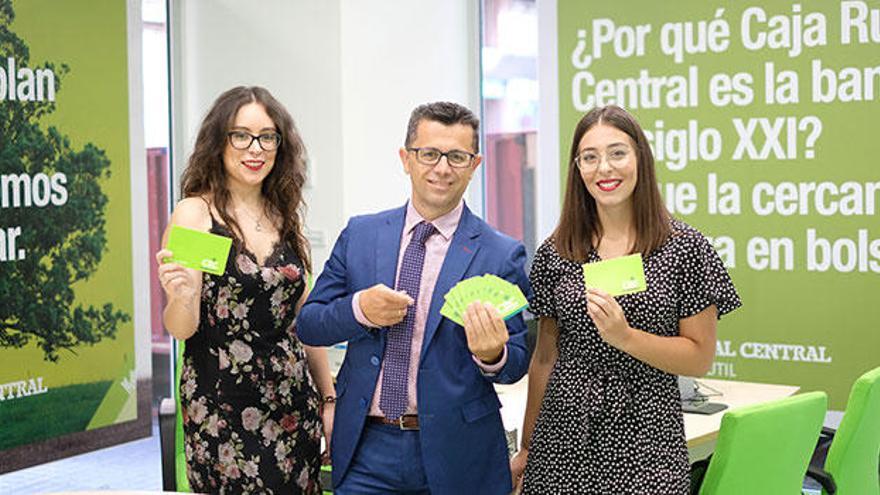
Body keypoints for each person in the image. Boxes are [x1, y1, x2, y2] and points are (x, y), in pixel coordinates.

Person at [296, 101, 531, 494]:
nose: (442, 168)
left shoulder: (501, 253)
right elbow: (310, 323)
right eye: (429, 154)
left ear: (475, 165)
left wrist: (494, 355)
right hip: (366, 448)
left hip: (459, 452)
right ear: (406, 159)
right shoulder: (361, 234)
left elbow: (517, 363)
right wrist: (360, 310)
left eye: (457, 157)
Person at [510, 105, 741, 494]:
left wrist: (625, 336)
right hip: (562, 443)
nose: (604, 169)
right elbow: (545, 356)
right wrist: (529, 446)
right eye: (590, 157)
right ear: (577, 169)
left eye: (617, 153)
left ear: (640, 159)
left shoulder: (685, 248)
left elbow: (700, 357)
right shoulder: (557, 251)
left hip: (646, 443)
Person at [155, 86, 334, 494]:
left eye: (267, 137)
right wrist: (181, 297)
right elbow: (182, 328)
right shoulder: (195, 214)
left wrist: (328, 399)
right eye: (241, 135)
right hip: (225, 415)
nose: (256, 148)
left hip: (293, 408)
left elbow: (302, 319)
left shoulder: (283, 214)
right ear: (219, 141)